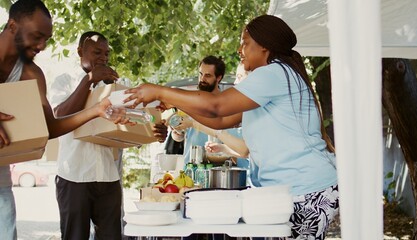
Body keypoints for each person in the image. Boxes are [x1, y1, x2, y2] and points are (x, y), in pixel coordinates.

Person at [124, 15, 339, 239]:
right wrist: (177, 102)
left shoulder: (273, 73)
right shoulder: (277, 75)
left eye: (245, 42)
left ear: (264, 45)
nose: (240, 49)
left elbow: (217, 106)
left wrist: (159, 91)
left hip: (306, 188)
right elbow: (221, 120)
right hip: (292, 190)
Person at [0, 1, 111, 239]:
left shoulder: (31, 74)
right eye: (37, 36)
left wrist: (96, 110)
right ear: (12, 26)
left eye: (47, 39)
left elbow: (49, 127)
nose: (42, 46)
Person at [49, 31, 168, 240]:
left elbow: (136, 123)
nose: (103, 58)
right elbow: (59, 116)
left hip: (108, 175)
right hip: (74, 175)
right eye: (97, 52)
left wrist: (154, 131)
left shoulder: (115, 87)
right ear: (80, 52)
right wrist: (89, 81)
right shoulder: (65, 81)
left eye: (106, 53)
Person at [170, 55, 225, 166]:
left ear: (218, 77)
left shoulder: (225, 104)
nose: (202, 79)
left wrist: (192, 123)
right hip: (191, 168)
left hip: (217, 169)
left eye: (208, 75)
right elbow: (178, 137)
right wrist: (177, 132)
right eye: (200, 74)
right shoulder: (190, 101)